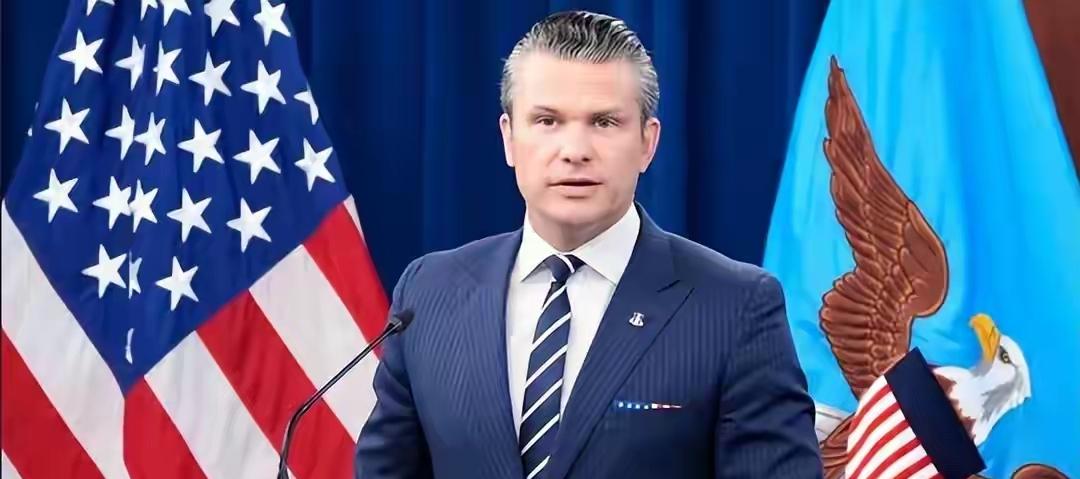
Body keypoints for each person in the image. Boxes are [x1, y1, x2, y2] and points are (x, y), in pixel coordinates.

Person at [355, 10, 822, 478]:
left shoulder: (736, 306)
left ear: (648, 143)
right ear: (509, 138)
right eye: (547, 121)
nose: (575, 150)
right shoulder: (429, 292)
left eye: (603, 122)